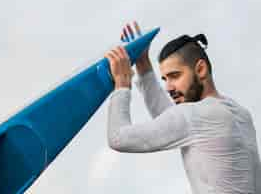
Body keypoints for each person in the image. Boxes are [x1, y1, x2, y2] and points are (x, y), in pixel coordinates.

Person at [105, 21, 261, 193]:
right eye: (165, 79)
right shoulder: (240, 114)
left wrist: (122, 84)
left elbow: (118, 138)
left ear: (201, 69)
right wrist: (143, 65)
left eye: (175, 76)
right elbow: (171, 118)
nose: (168, 87)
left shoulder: (196, 115)